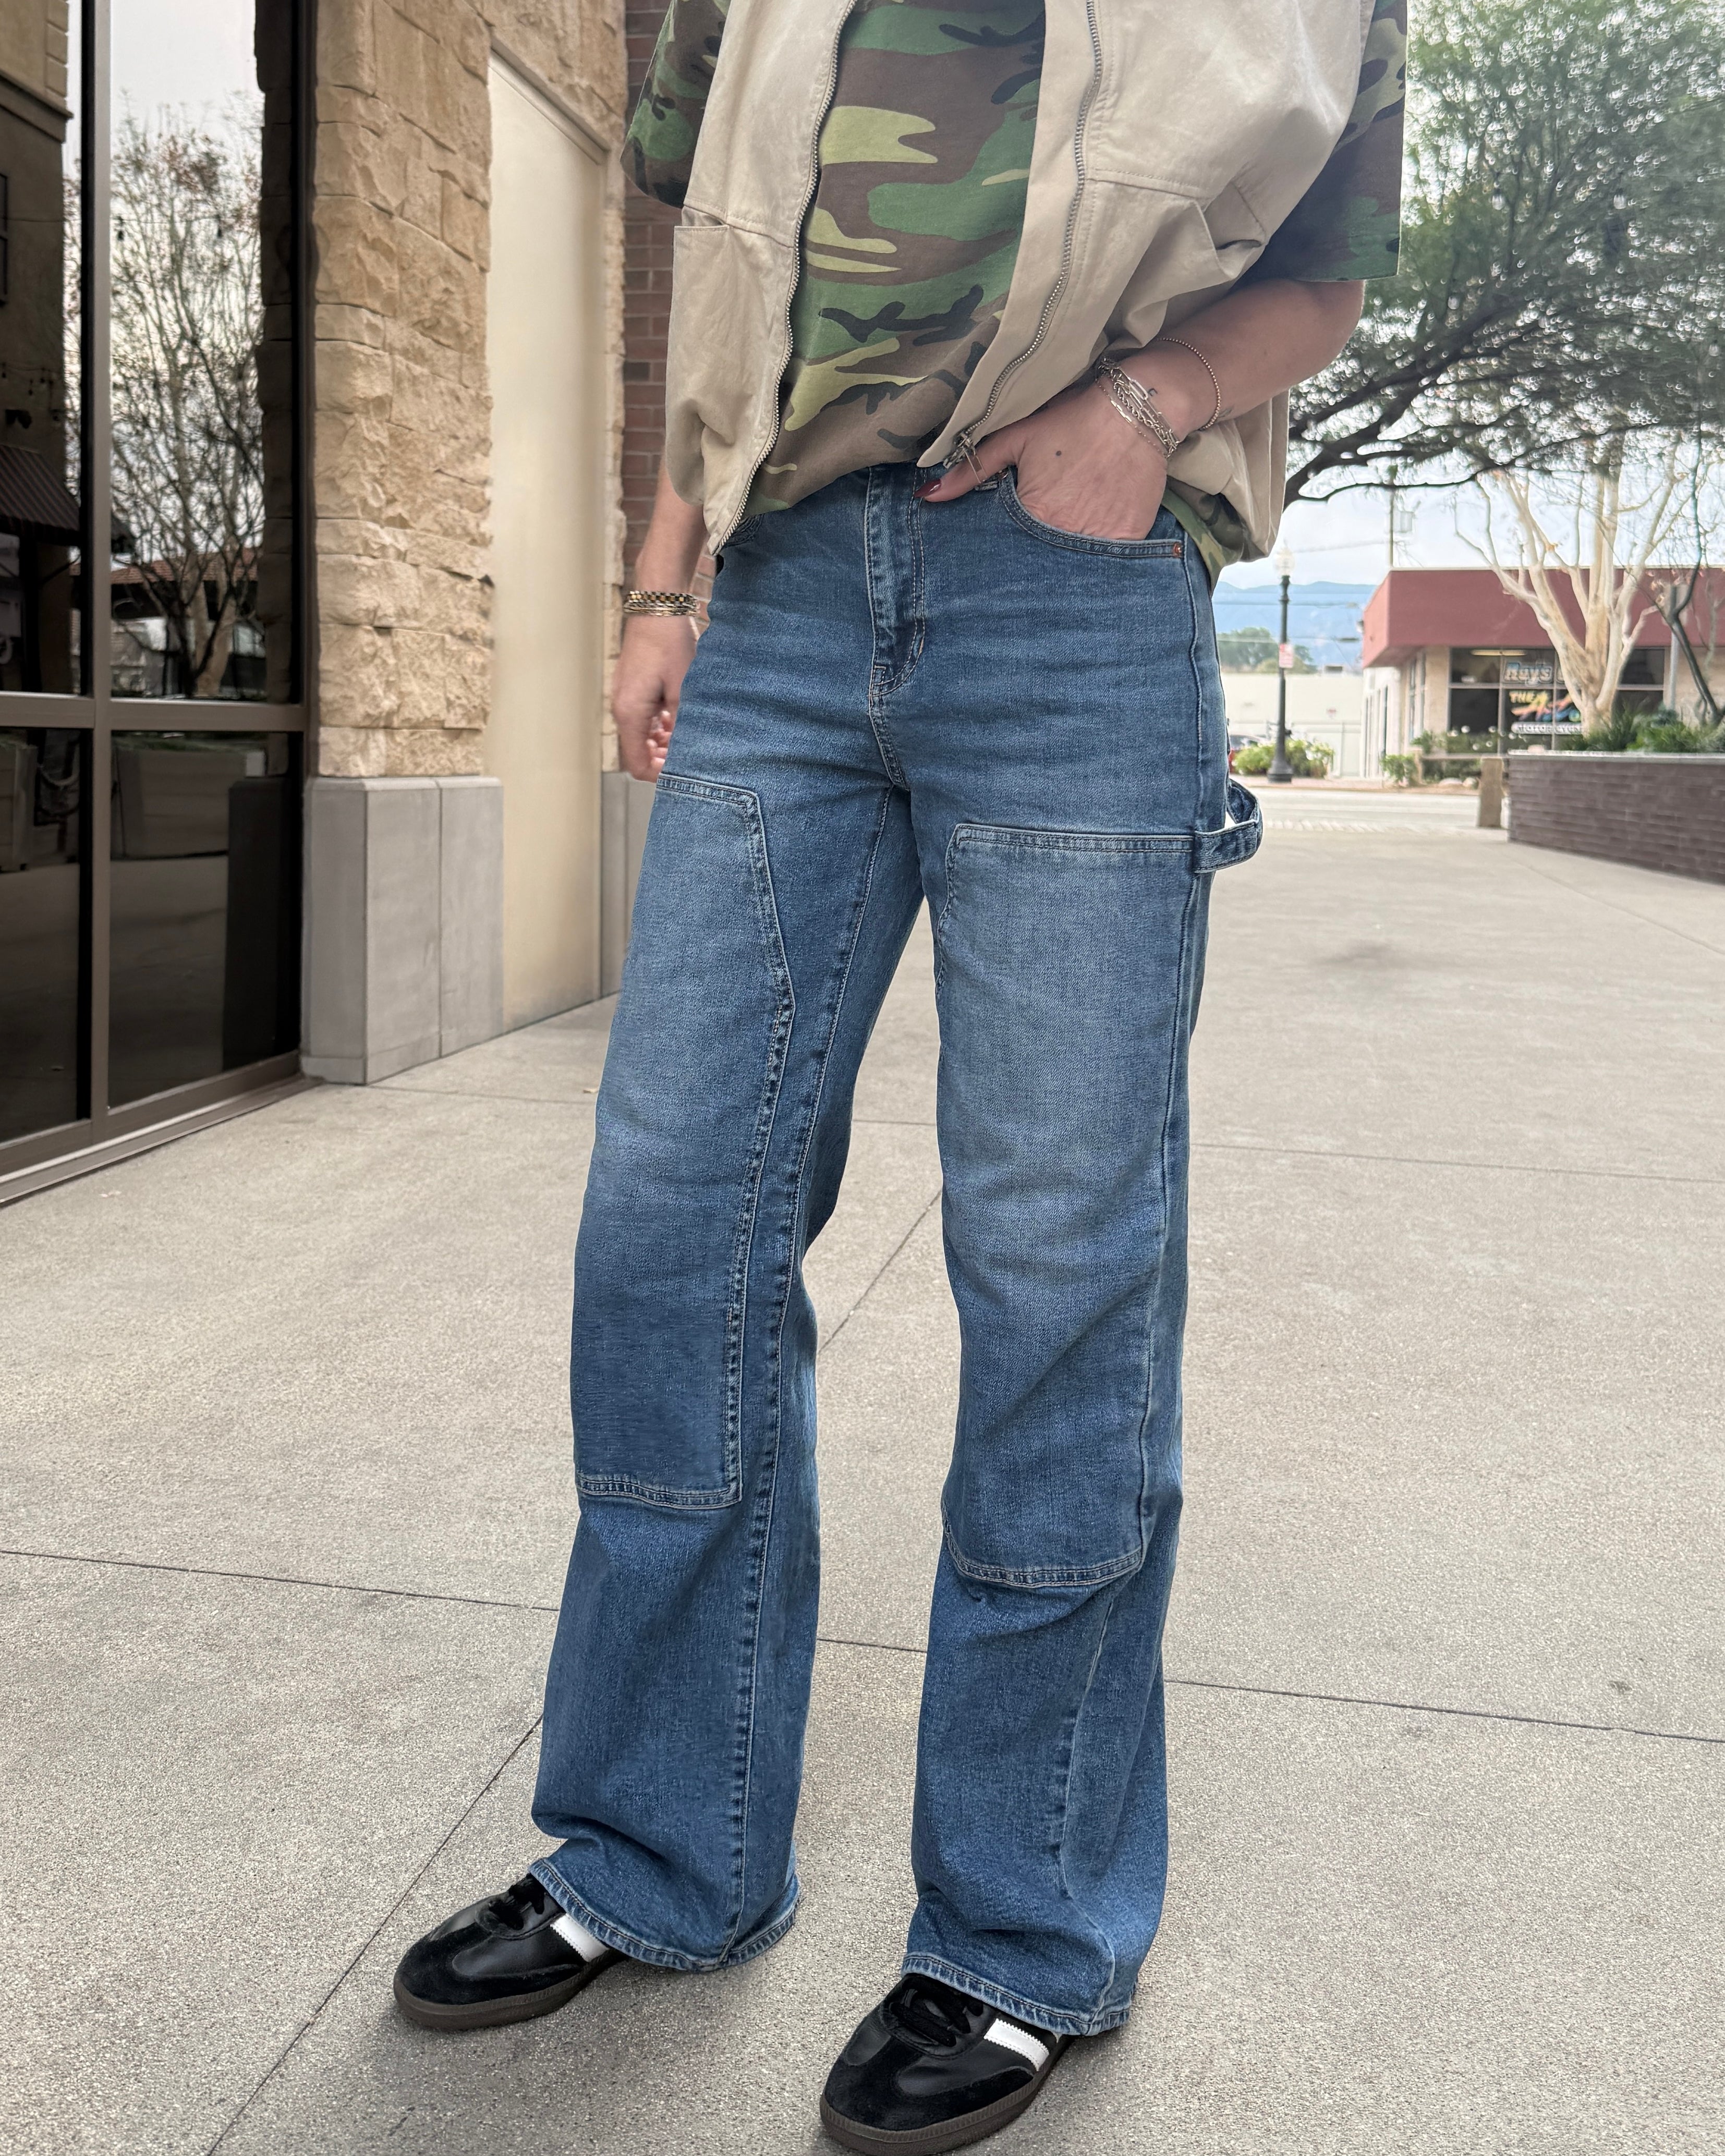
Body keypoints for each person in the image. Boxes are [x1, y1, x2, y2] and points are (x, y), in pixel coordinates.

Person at [395, 2, 1405, 2147]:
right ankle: (662, 1853)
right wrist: (663, 569)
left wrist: (1142, 405)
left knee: (1056, 1270)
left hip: (1075, 590)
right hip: (773, 601)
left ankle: (1018, 1924)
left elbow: (1323, 270)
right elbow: (721, 248)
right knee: (671, 1229)